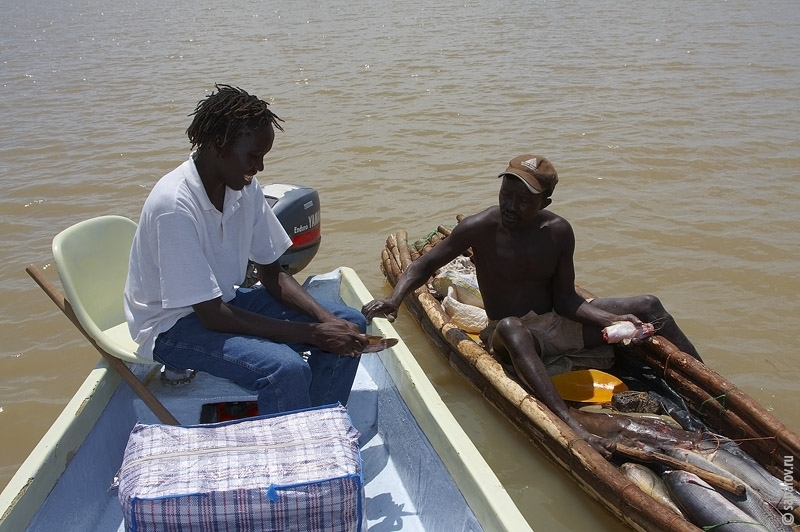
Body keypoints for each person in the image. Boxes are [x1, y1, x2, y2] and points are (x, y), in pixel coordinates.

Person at [362, 154, 701, 458]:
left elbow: (567, 300)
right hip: (510, 336)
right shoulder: (480, 228)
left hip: (554, 322)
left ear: (544, 202)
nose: (511, 206)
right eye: (506, 195)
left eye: (523, 200)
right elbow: (423, 265)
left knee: (648, 304)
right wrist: (394, 299)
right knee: (511, 325)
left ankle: (704, 396)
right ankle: (568, 420)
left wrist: (612, 319)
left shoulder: (558, 232)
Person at [124, 84, 368, 415]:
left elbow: (273, 275)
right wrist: (313, 333)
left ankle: (316, 425)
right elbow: (210, 316)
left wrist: (326, 320)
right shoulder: (174, 204)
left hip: (224, 302)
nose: (260, 168)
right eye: (254, 156)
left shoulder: (243, 188)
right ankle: (291, 451)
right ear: (218, 144)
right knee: (285, 368)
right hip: (171, 325)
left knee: (350, 321)